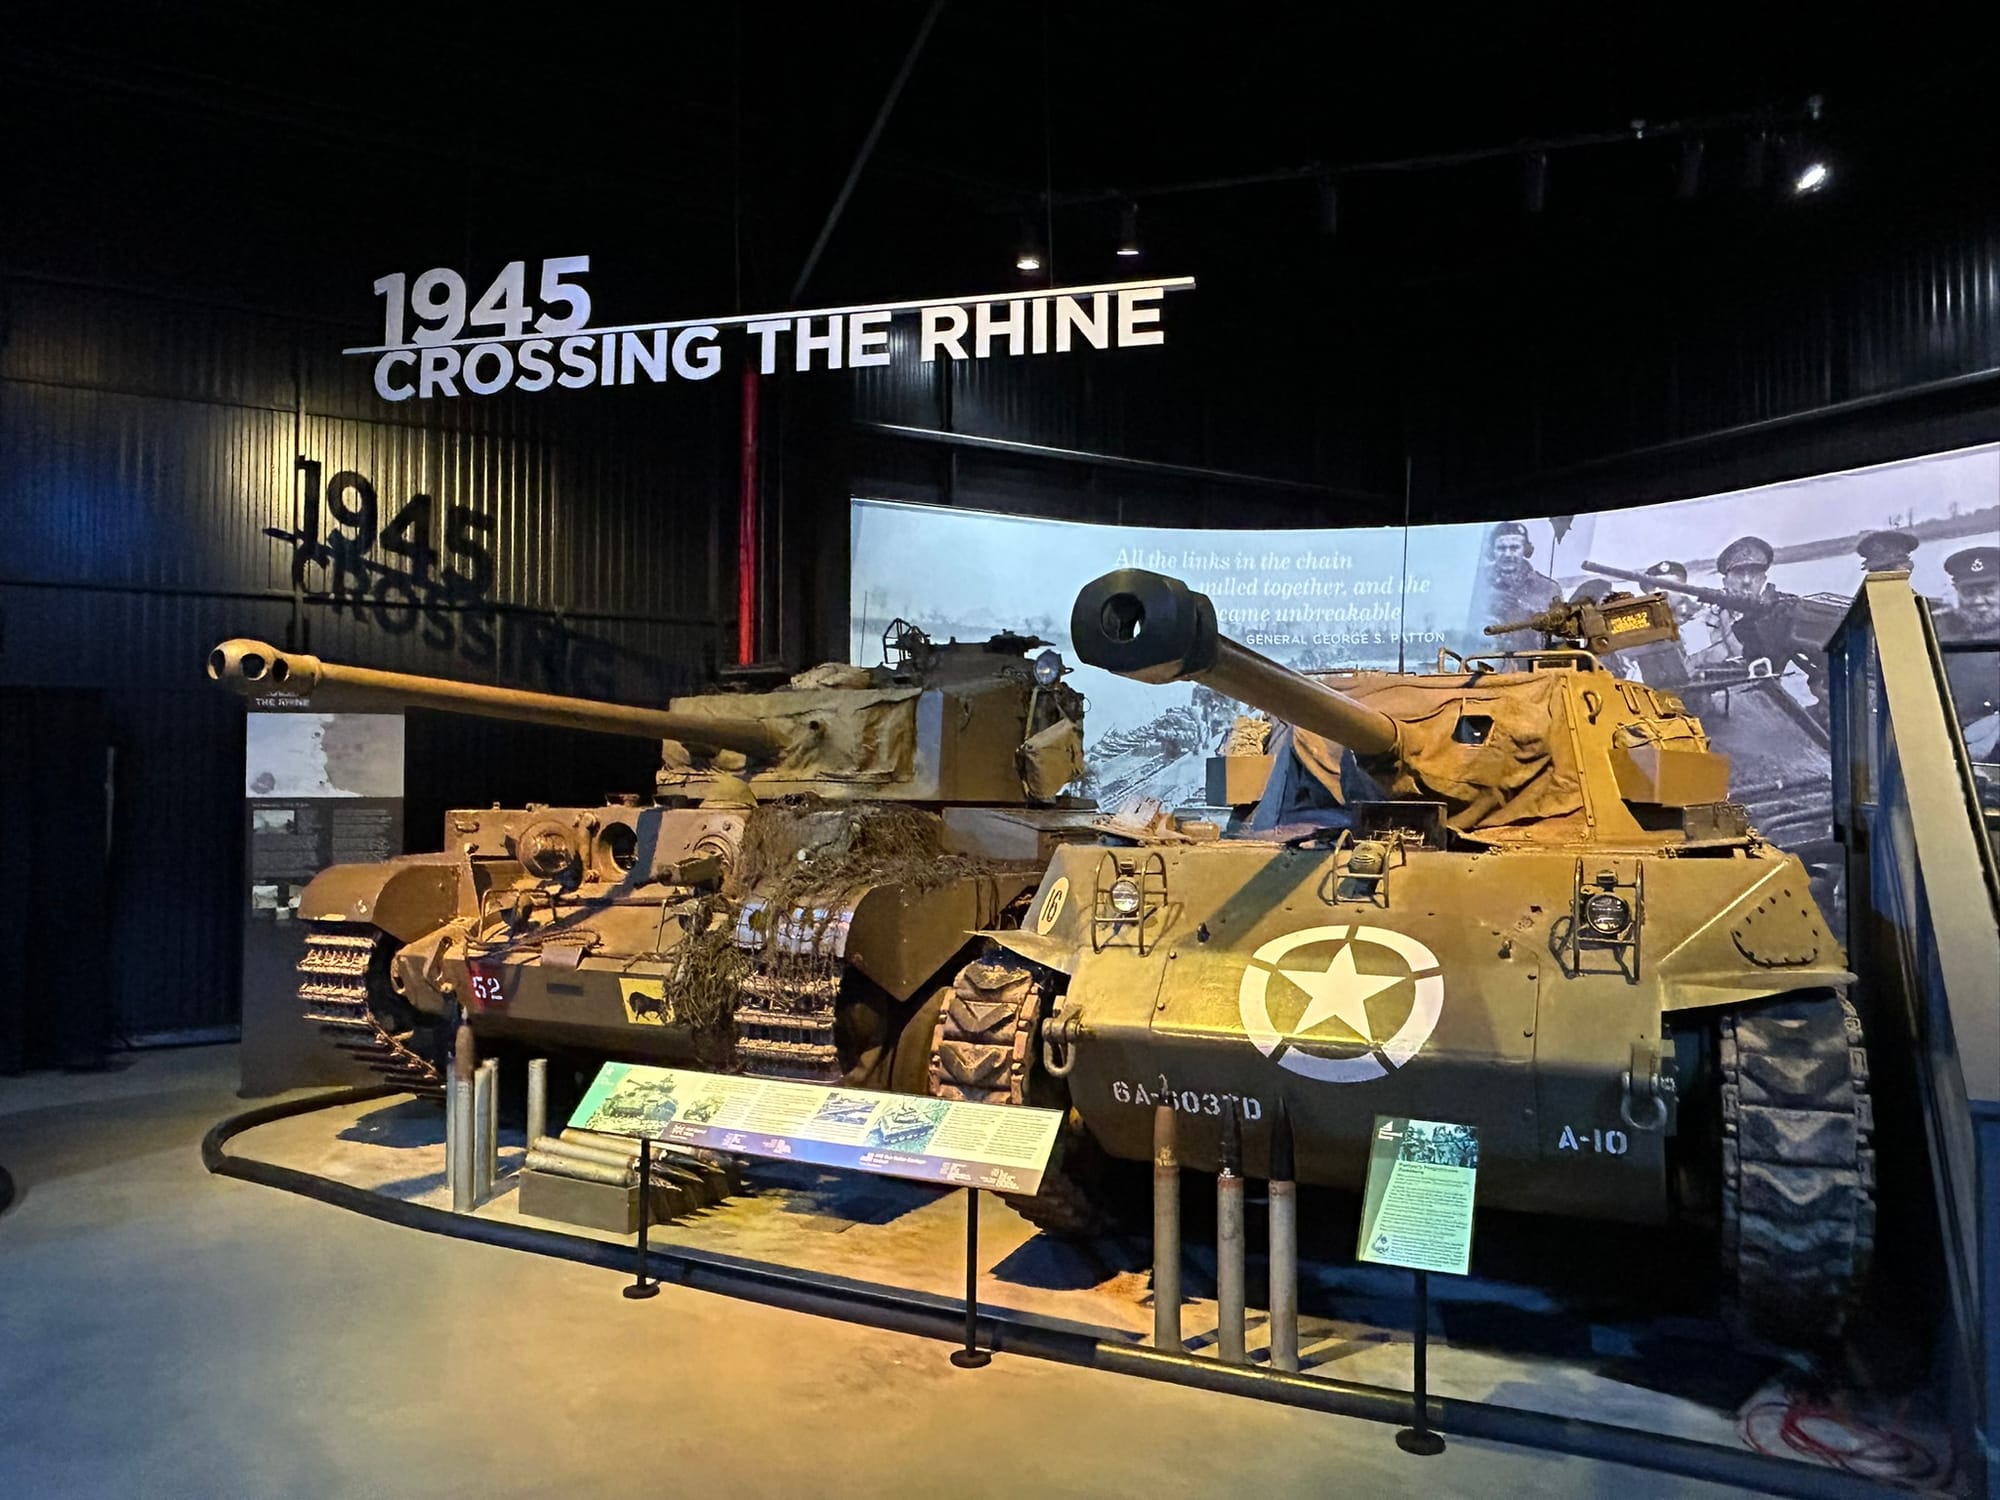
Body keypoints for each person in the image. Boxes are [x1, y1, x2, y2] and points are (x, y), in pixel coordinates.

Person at [1934, 545, 2000, 740]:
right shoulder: (1938, 633)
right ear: (1957, 591)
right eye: (1969, 592)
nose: (1978, 601)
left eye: (1988, 591)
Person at [1471, 521, 1560, 648]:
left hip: (1532, 657)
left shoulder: (1548, 588)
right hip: (1484, 656)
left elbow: (1557, 638)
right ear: (1492, 551)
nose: (1507, 554)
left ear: (1526, 550)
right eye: (1501, 548)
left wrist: (1524, 609)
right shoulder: (1477, 584)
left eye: (1514, 548)